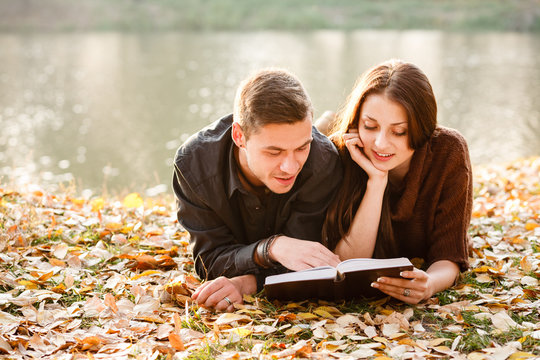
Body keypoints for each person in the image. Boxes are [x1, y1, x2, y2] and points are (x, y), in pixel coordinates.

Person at [173, 68, 342, 311]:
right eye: (274, 152)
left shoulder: (323, 161)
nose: (291, 166)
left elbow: (305, 262)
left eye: (302, 147)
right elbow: (209, 261)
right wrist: (272, 247)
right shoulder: (194, 166)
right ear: (239, 135)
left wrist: (246, 283)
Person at [322, 59, 472, 304]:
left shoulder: (449, 151)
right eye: (370, 126)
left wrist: (430, 284)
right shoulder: (341, 151)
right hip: (329, 137)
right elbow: (346, 264)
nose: (380, 143)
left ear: (422, 128)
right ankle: (328, 119)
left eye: (399, 131)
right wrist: (377, 182)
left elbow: (450, 254)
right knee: (322, 131)